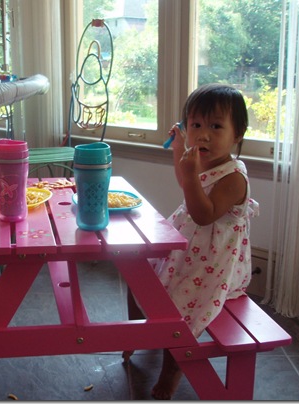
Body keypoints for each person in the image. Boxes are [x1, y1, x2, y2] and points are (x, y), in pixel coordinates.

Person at [125, 83, 259, 399]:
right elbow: (188, 187)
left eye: (216, 127)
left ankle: (173, 368)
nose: (204, 135)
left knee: (181, 309)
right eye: (196, 125)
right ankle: (140, 333)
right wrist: (178, 152)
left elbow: (203, 214)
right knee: (139, 279)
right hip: (187, 250)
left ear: (237, 134)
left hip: (214, 264)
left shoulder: (234, 178)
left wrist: (189, 173)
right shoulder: (206, 162)